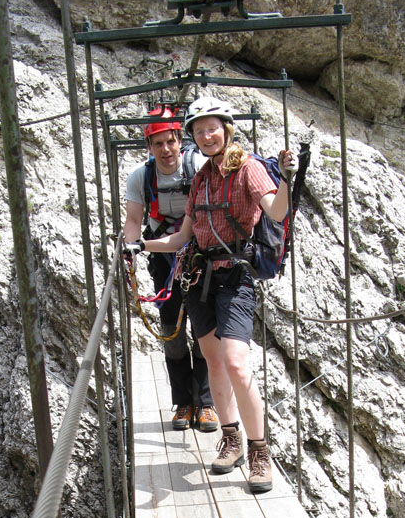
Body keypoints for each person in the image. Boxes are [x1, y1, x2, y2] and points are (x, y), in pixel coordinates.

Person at [125, 97, 296, 493]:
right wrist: (140, 247)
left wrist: (288, 178)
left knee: (236, 362)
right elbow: (183, 237)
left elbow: (275, 211)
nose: (206, 135)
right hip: (200, 277)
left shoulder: (247, 168)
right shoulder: (201, 178)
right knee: (215, 363)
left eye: (212, 128)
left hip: (235, 276)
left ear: (226, 128)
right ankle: (232, 439)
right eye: (199, 131)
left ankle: (259, 450)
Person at [123, 106, 218, 433]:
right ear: (149, 147)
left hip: (200, 257)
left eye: (170, 142)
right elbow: (134, 221)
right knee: (172, 331)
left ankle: (205, 403)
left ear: (181, 142)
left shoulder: (200, 168)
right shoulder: (141, 176)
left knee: (205, 330)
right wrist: (131, 249)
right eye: (158, 143)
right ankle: (184, 402)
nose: (165, 149)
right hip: (162, 256)